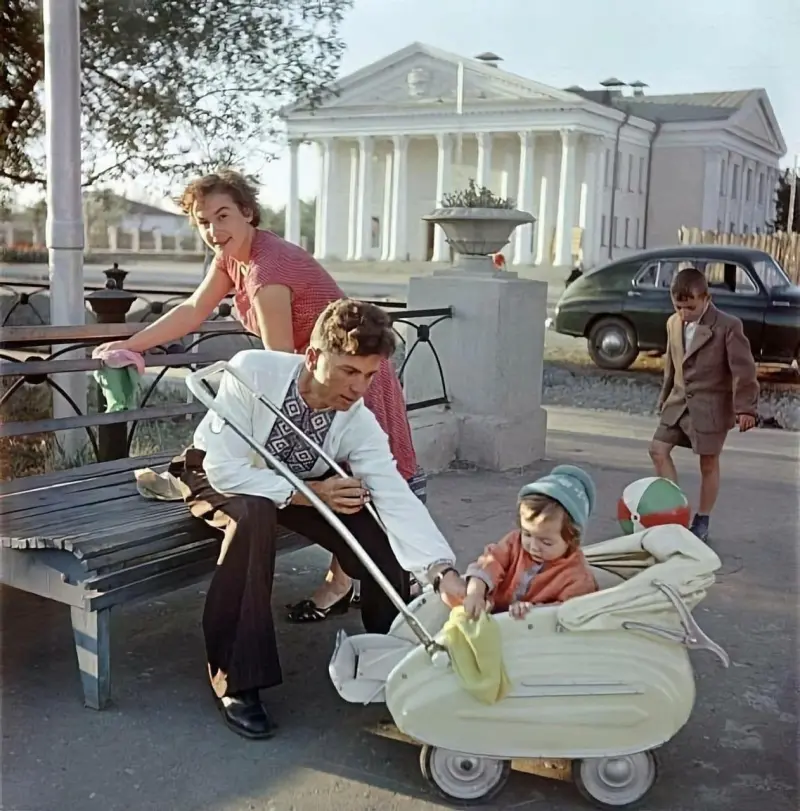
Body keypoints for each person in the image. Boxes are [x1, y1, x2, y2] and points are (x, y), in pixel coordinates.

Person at [97, 170, 422, 618]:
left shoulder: (268, 271)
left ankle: (353, 586)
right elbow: (193, 309)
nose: (214, 230)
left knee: (353, 483)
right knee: (338, 482)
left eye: (223, 216)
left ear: (247, 212)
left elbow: (281, 366)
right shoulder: (234, 257)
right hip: (323, 378)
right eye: (203, 221)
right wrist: (132, 346)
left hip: (349, 379)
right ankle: (350, 582)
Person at [169, 299, 465, 739]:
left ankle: (396, 648)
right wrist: (310, 495)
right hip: (221, 474)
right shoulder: (253, 370)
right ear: (313, 356)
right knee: (254, 515)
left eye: (368, 375)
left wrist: (440, 570)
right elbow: (225, 469)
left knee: (370, 519)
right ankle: (237, 680)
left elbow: (393, 492)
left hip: (299, 484)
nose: (359, 387)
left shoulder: (356, 419)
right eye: (348, 371)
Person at [649, 267, 759, 542]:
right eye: (678, 307)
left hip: (710, 408)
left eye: (690, 307)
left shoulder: (727, 326)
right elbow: (671, 365)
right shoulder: (673, 323)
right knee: (657, 450)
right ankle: (674, 510)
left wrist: (745, 408)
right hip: (677, 404)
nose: (684, 313)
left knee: (708, 464)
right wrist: (664, 397)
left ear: (706, 298)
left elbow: (743, 370)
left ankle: (703, 518)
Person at [458, 465, 598, 620]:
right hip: (490, 613)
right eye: (527, 534)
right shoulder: (514, 543)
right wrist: (476, 592)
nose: (533, 547)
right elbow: (490, 562)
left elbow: (569, 613)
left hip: (531, 636)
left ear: (572, 540)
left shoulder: (577, 576)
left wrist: (533, 611)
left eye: (546, 542)